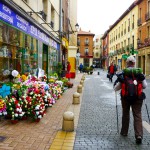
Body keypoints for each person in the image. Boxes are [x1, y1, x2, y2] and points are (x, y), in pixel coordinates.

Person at [114, 55, 147, 144]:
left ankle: (124, 132)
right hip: (138, 97)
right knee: (137, 115)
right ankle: (139, 135)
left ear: (127, 63)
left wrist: (116, 86)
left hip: (125, 97)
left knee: (125, 113)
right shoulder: (139, 72)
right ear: (134, 63)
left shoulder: (124, 73)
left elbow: (117, 87)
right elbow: (144, 86)